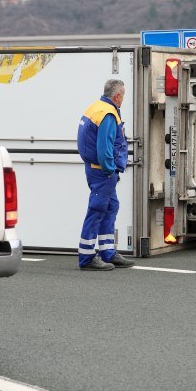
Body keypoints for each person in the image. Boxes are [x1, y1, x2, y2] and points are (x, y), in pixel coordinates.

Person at [76, 79, 135, 270]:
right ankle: (86, 257)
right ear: (117, 96)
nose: (123, 99)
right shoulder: (108, 114)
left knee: (110, 207)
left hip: (95, 169)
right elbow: (104, 149)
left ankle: (108, 252)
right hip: (103, 172)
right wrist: (110, 170)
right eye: (123, 95)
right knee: (97, 209)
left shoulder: (97, 107)